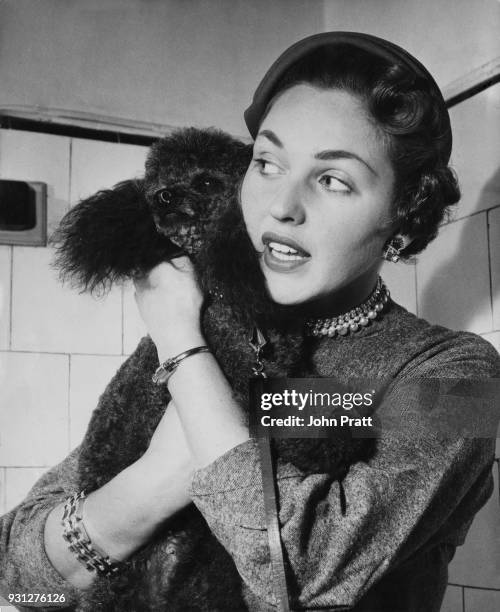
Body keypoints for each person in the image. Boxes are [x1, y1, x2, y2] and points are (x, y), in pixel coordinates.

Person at [1, 32, 499, 612]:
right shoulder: (199, 329)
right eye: (266, 162)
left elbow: (303, 571)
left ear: (405, 219)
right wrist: (150, 484)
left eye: (333, 179)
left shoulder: (464, 378)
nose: (280, 206)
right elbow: (17, 580)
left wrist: (185, 354)